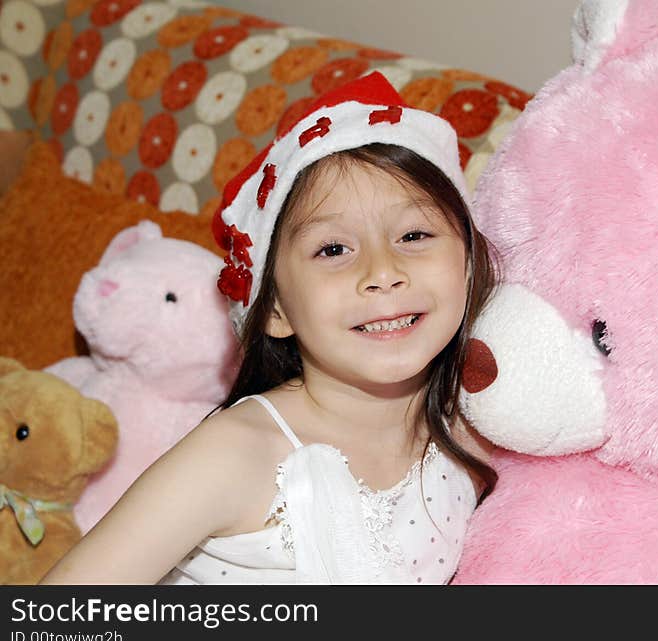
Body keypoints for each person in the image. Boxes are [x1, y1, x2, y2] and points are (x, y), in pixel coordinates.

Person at [40, 72, 498, 585]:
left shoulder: (475, 428)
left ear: (468, 263)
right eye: (333, 250)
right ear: (275, 307)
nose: (383, 272)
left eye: (414, 234)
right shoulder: (234, 454)